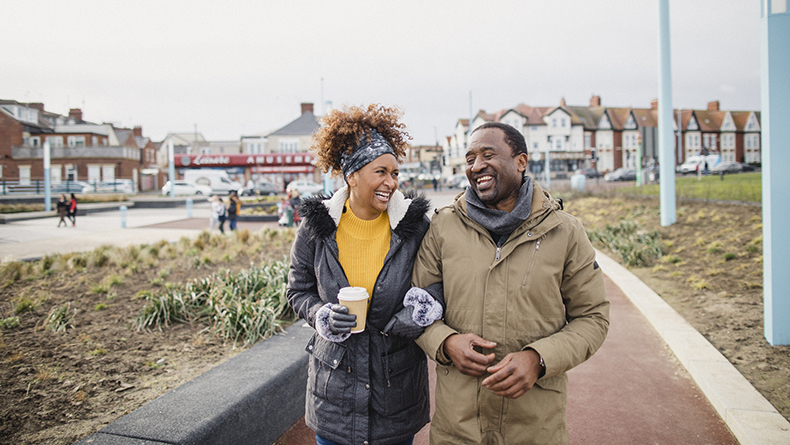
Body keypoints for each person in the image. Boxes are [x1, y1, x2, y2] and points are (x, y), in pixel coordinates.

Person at [412, 122, 610, 444]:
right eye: (470, 158)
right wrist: (445, 342)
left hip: (534, 428)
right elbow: (416, 305)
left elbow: (593, 317)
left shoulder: (565, 231)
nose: (477, 166)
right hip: (458, 428)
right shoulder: (443, 226)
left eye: (488, 155)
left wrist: (539, 359)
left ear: (521, 161)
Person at [287, 104, 441, 445]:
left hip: (396, 390)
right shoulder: (316, 228)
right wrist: (320, 314)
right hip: (334, 393)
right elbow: (298, 291)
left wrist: (422, 307)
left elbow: (439, 282)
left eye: (395, 173)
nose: (391, 182)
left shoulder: (414, 227)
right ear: (351, 175)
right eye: (381, 172)